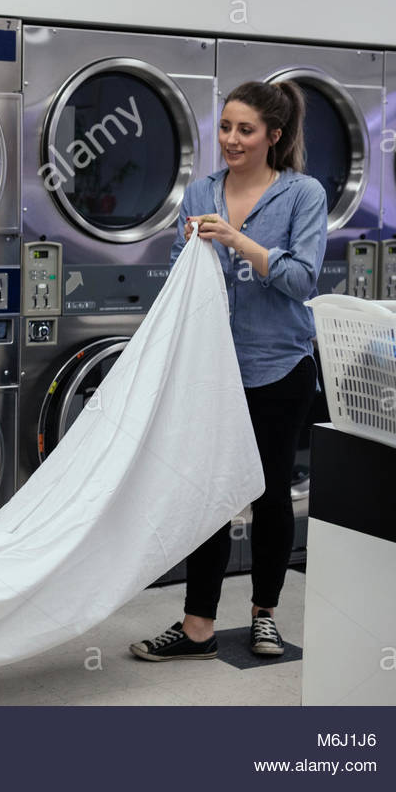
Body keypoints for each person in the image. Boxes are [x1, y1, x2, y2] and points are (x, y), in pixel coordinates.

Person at [130, 80, 327, 661]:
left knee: (266, 495)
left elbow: (301, 280)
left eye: (245, 129)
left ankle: (265, 616)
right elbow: (181, 277)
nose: (232, 140)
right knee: (208, 497)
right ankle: (197, 628)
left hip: (279, 366)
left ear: (275, 135)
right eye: (225, 127)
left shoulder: (302, 194)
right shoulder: (200, 192)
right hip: (213, 370)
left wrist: (236, 239)